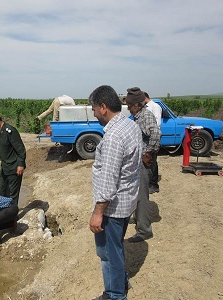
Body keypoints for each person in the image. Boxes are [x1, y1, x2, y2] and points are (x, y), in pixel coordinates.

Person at [89, 85, 142, 300]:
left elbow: (109, 180)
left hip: (112, 207)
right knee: (117, 246)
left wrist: (98, 213)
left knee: (108, 253)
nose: (93, 114)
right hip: (127, 200)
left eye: (93, 109)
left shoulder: (112, 138)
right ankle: (120, 280)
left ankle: (114, 294)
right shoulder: (130, 126)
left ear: (103, 107)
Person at [125, 87, 161, 243]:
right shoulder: (138, 116)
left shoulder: (145, 116)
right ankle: (139, 219)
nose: (128, 108)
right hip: (138, 161)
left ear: (138, 105)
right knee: (136, 194)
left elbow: (156, 133)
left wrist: (149, 153)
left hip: (143, 163)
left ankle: (144, 230)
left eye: (130, 105)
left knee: (141, 197)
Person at [0, 110, 26, 205]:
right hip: (5, 168)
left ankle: (12, 217)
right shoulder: (0, 131)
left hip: (14, 169)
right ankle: (5, 215)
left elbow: (21, 149)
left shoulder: (10, 131)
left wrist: (20, 164)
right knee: (3, 194)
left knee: (12, 196)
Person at [144, 91, 162, 194]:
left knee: (152, 161)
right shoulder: (147, 107)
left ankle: (154, 185)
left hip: (153, 137)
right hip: (149, 137)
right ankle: (150, 183)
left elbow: (157, 123)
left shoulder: (154, 106)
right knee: (151, 161)